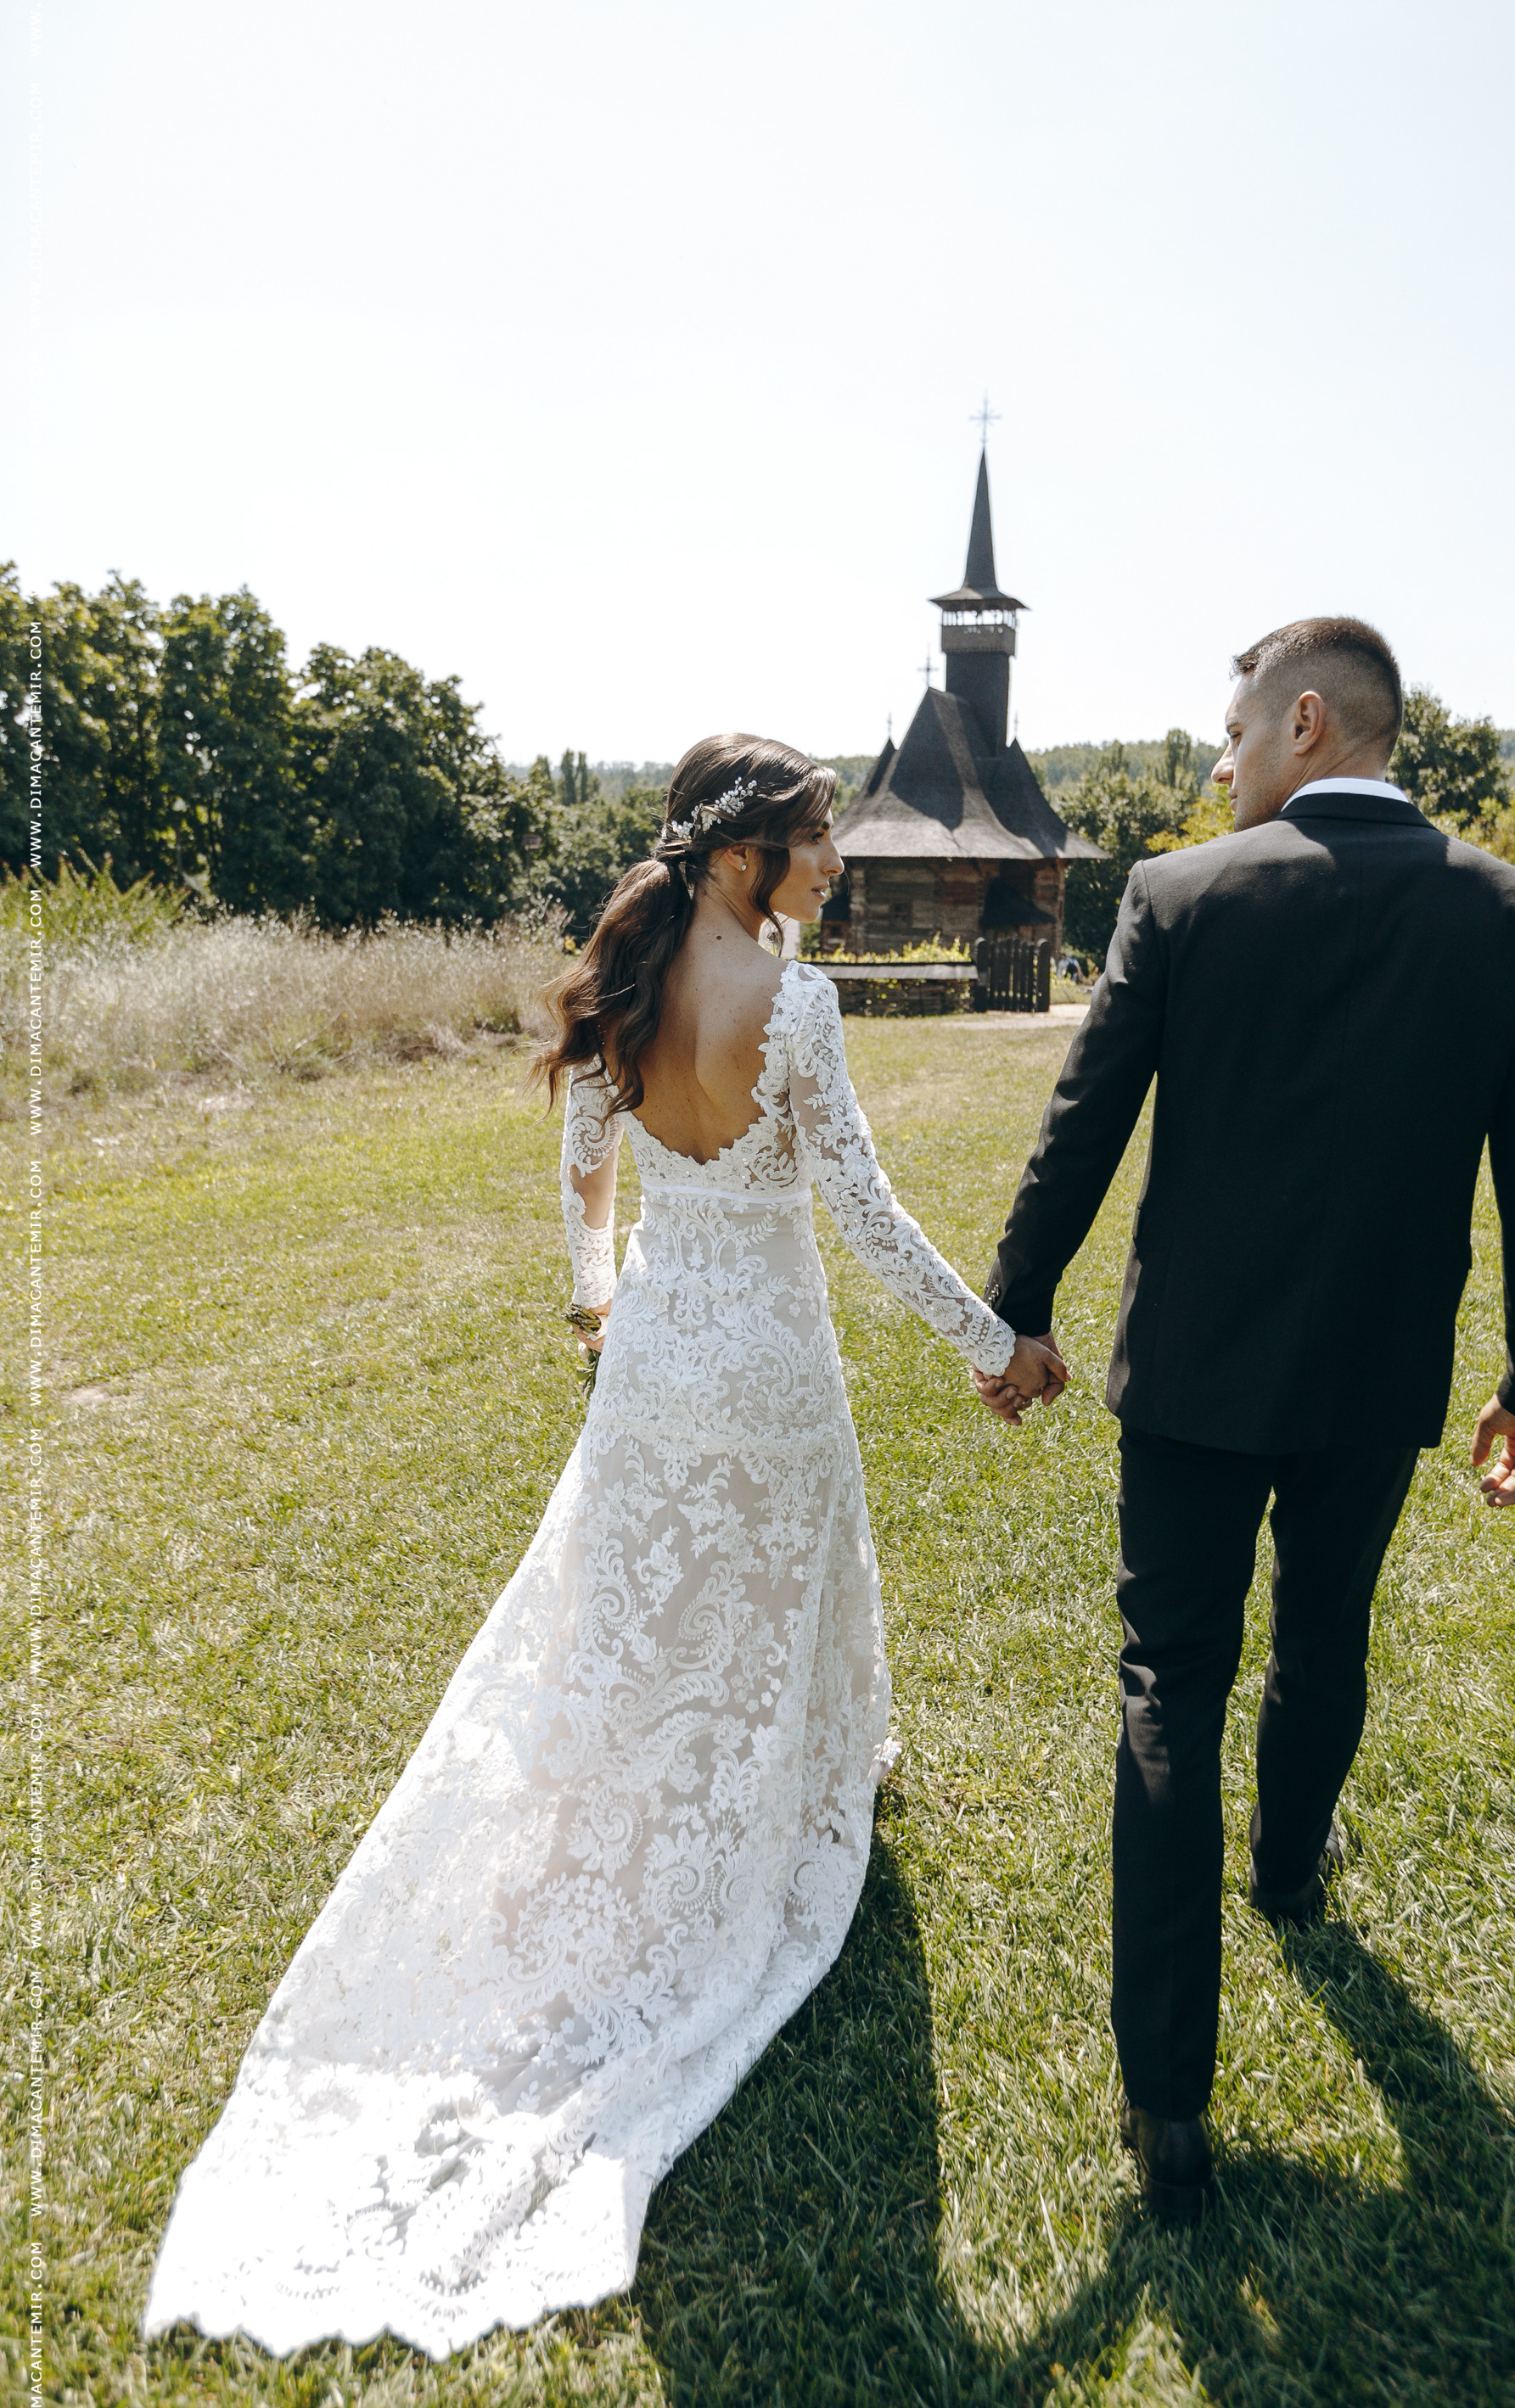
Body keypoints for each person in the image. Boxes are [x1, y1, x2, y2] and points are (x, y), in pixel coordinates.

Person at [143, 734, 1062, 2358]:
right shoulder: (801, 1009)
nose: (835, 858)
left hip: (656, 1354)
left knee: (643, 1608)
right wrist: (994, 1342)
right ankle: (802, 1782)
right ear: (741, 858)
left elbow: (583, 1173)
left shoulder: (623, 986)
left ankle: (709, 1775)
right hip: (771, 1361)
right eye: (816, 837)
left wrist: (593, 1298)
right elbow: (863, 1212)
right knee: (778, 1580)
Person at [974, 618, 1515, 2224]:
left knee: (1169, 1678)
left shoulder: (1181, 895)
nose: (1220, 763)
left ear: (1307, 723)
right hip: (1374, 1381)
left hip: (1191, 1373)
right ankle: (1289, 1873)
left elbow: (1083, 1119)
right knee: (1325, 1634)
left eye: (1233, 733)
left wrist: (1016, 1307)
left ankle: (1168, 2103)